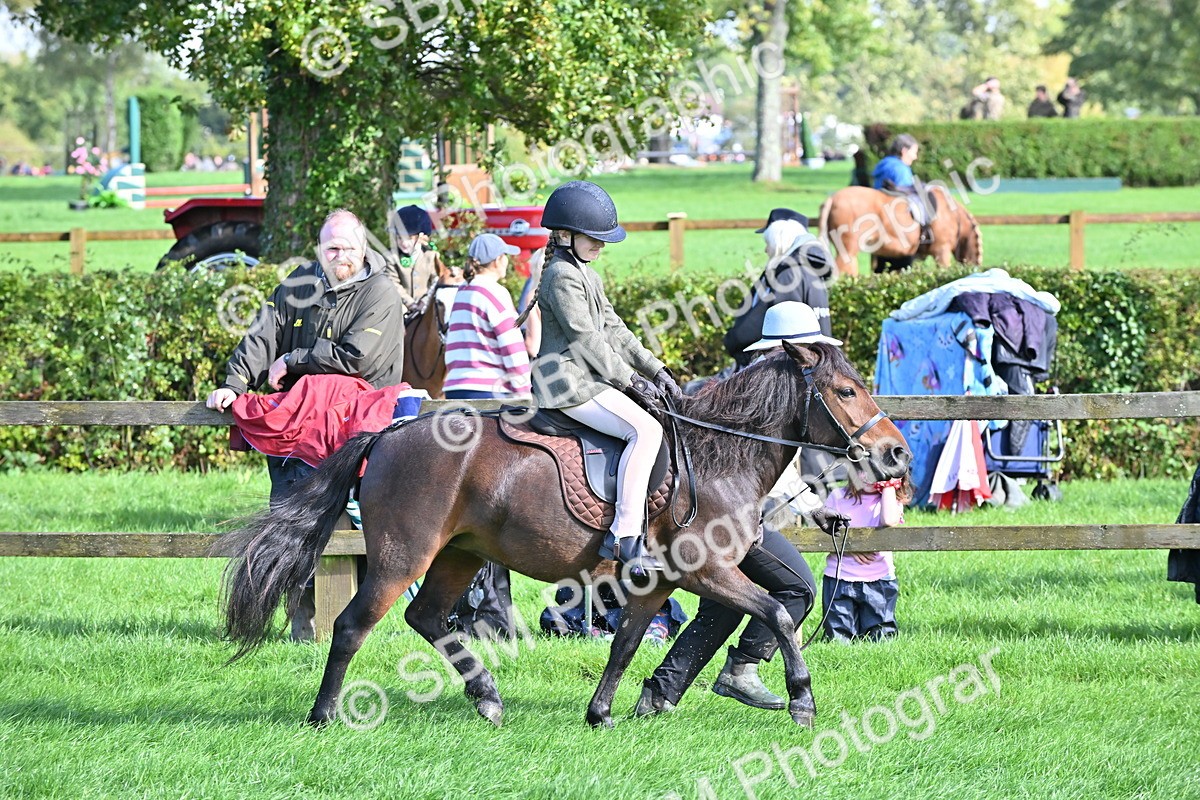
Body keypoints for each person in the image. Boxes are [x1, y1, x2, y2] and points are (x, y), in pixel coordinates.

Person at [636, 302, 850, 715]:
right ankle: (737, 672)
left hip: (733, 520)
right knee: (794, 589)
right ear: (792, 353)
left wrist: (812, 507)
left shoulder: (764, 391)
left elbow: (772, 469)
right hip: (723, 523)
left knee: (730, 601)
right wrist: (810, 506)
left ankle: (663, 695)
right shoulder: (755, 396)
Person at [205, 209, 405, 639]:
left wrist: (295, 360)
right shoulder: (299, 283)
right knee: (289, 522)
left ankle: (347, 627)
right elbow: (263, 333)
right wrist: (234, 384)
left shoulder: (381, 293)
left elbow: (359, 358)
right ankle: (303, 629)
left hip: (356, 436)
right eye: (332, 248)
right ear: (320, 249)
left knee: (346, 529)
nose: (340, 256)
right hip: (296, 432)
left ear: (364, 248)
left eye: (348, 248)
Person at [531, 180, 682, 576]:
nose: (601, 245)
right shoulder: (561, 276)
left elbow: (615, 330)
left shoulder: (585, 273)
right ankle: (625, 535)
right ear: (565, 235)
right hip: (567, 384)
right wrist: (631, 382)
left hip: (589, 380)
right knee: (645, 431)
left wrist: (656, 369)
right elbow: (587, 340)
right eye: (594, 238)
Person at [723, 208, 833, 369]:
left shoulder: (789, 276)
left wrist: (733, 340)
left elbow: (781, 330)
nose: (766, 250)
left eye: (768, 243)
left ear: (779, 242)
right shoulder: (807, 270)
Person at [443, 233, 531, 399]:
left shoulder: (462, 291)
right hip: (489, 389)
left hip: (455, 387)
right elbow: (511, 345)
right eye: (505, 256)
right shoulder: (494, 292)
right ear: (498, 260)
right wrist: (524, 391)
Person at [821, 473, 906, 641]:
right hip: (840, 578)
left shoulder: (889, 501)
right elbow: (823, 533)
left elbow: (888, 521)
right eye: (862, 469)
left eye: (877, 472)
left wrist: (888, 486)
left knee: (882, 637)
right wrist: (851, 547)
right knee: (838, 638)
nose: (869, 476)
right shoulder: (837, 497)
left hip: (879, 580)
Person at [872, 133, 932, 248]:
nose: (915, 157)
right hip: (895, 227)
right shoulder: (900, 169)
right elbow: (905, 197)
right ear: (904, 151)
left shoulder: (884, 164)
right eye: (914, 152)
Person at [385, 204, 443, 311]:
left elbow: (436, 281)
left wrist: (425, 301)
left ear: (420, 237)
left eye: (409, 238)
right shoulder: (392, 257)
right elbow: (393, 283)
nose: (404, 243)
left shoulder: (431, 256)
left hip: (426, 306)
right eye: (399, 238)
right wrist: (410, 303)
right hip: (401, 307)